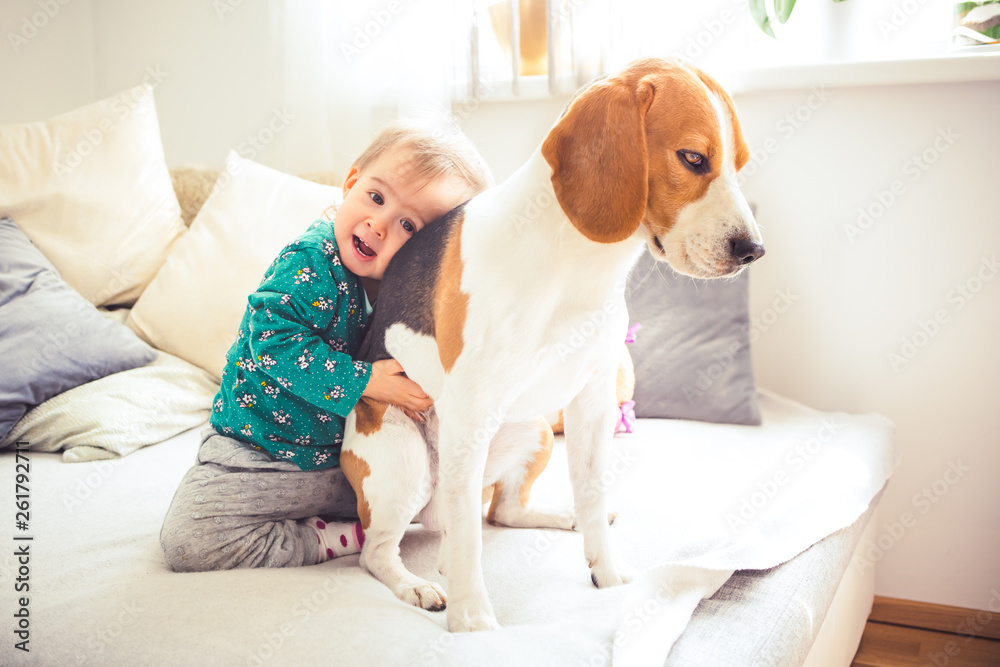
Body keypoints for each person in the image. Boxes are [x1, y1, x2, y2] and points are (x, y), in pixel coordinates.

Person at [160, 120, 491, 571]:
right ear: (351, 182)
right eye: (376, 197)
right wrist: (368, 381)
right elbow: (273, 344)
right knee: (189, 541)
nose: (378, 224)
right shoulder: (311, 261)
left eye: (408, 225)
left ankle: (374, 516)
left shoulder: (404, 291)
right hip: (262, 450)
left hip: (337, 460)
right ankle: (331, 539)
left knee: (427, 496)